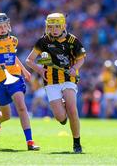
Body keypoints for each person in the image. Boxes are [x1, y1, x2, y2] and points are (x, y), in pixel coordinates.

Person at [26, 13, 86, 153]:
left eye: (57, 26)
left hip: (68, 79)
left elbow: (81, 59)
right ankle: (62, 114)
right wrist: (40, 70)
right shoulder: (43, 41)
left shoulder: (73, 41)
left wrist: (74, 68)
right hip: (51, 81)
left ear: (63, 26)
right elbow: (29, 60)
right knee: (60, 117)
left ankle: (76, 143)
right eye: (50, 26)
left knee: (72, 108)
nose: (53, 30)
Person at [0, 13, 39, 151]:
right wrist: (0, 66)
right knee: (6, 115)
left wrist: (24, 70)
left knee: (21, 106)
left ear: (8, 26)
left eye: (4, 26)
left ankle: (30, 141)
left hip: (14, 77)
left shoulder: (13, 40)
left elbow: (13, 57)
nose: (2, 29)